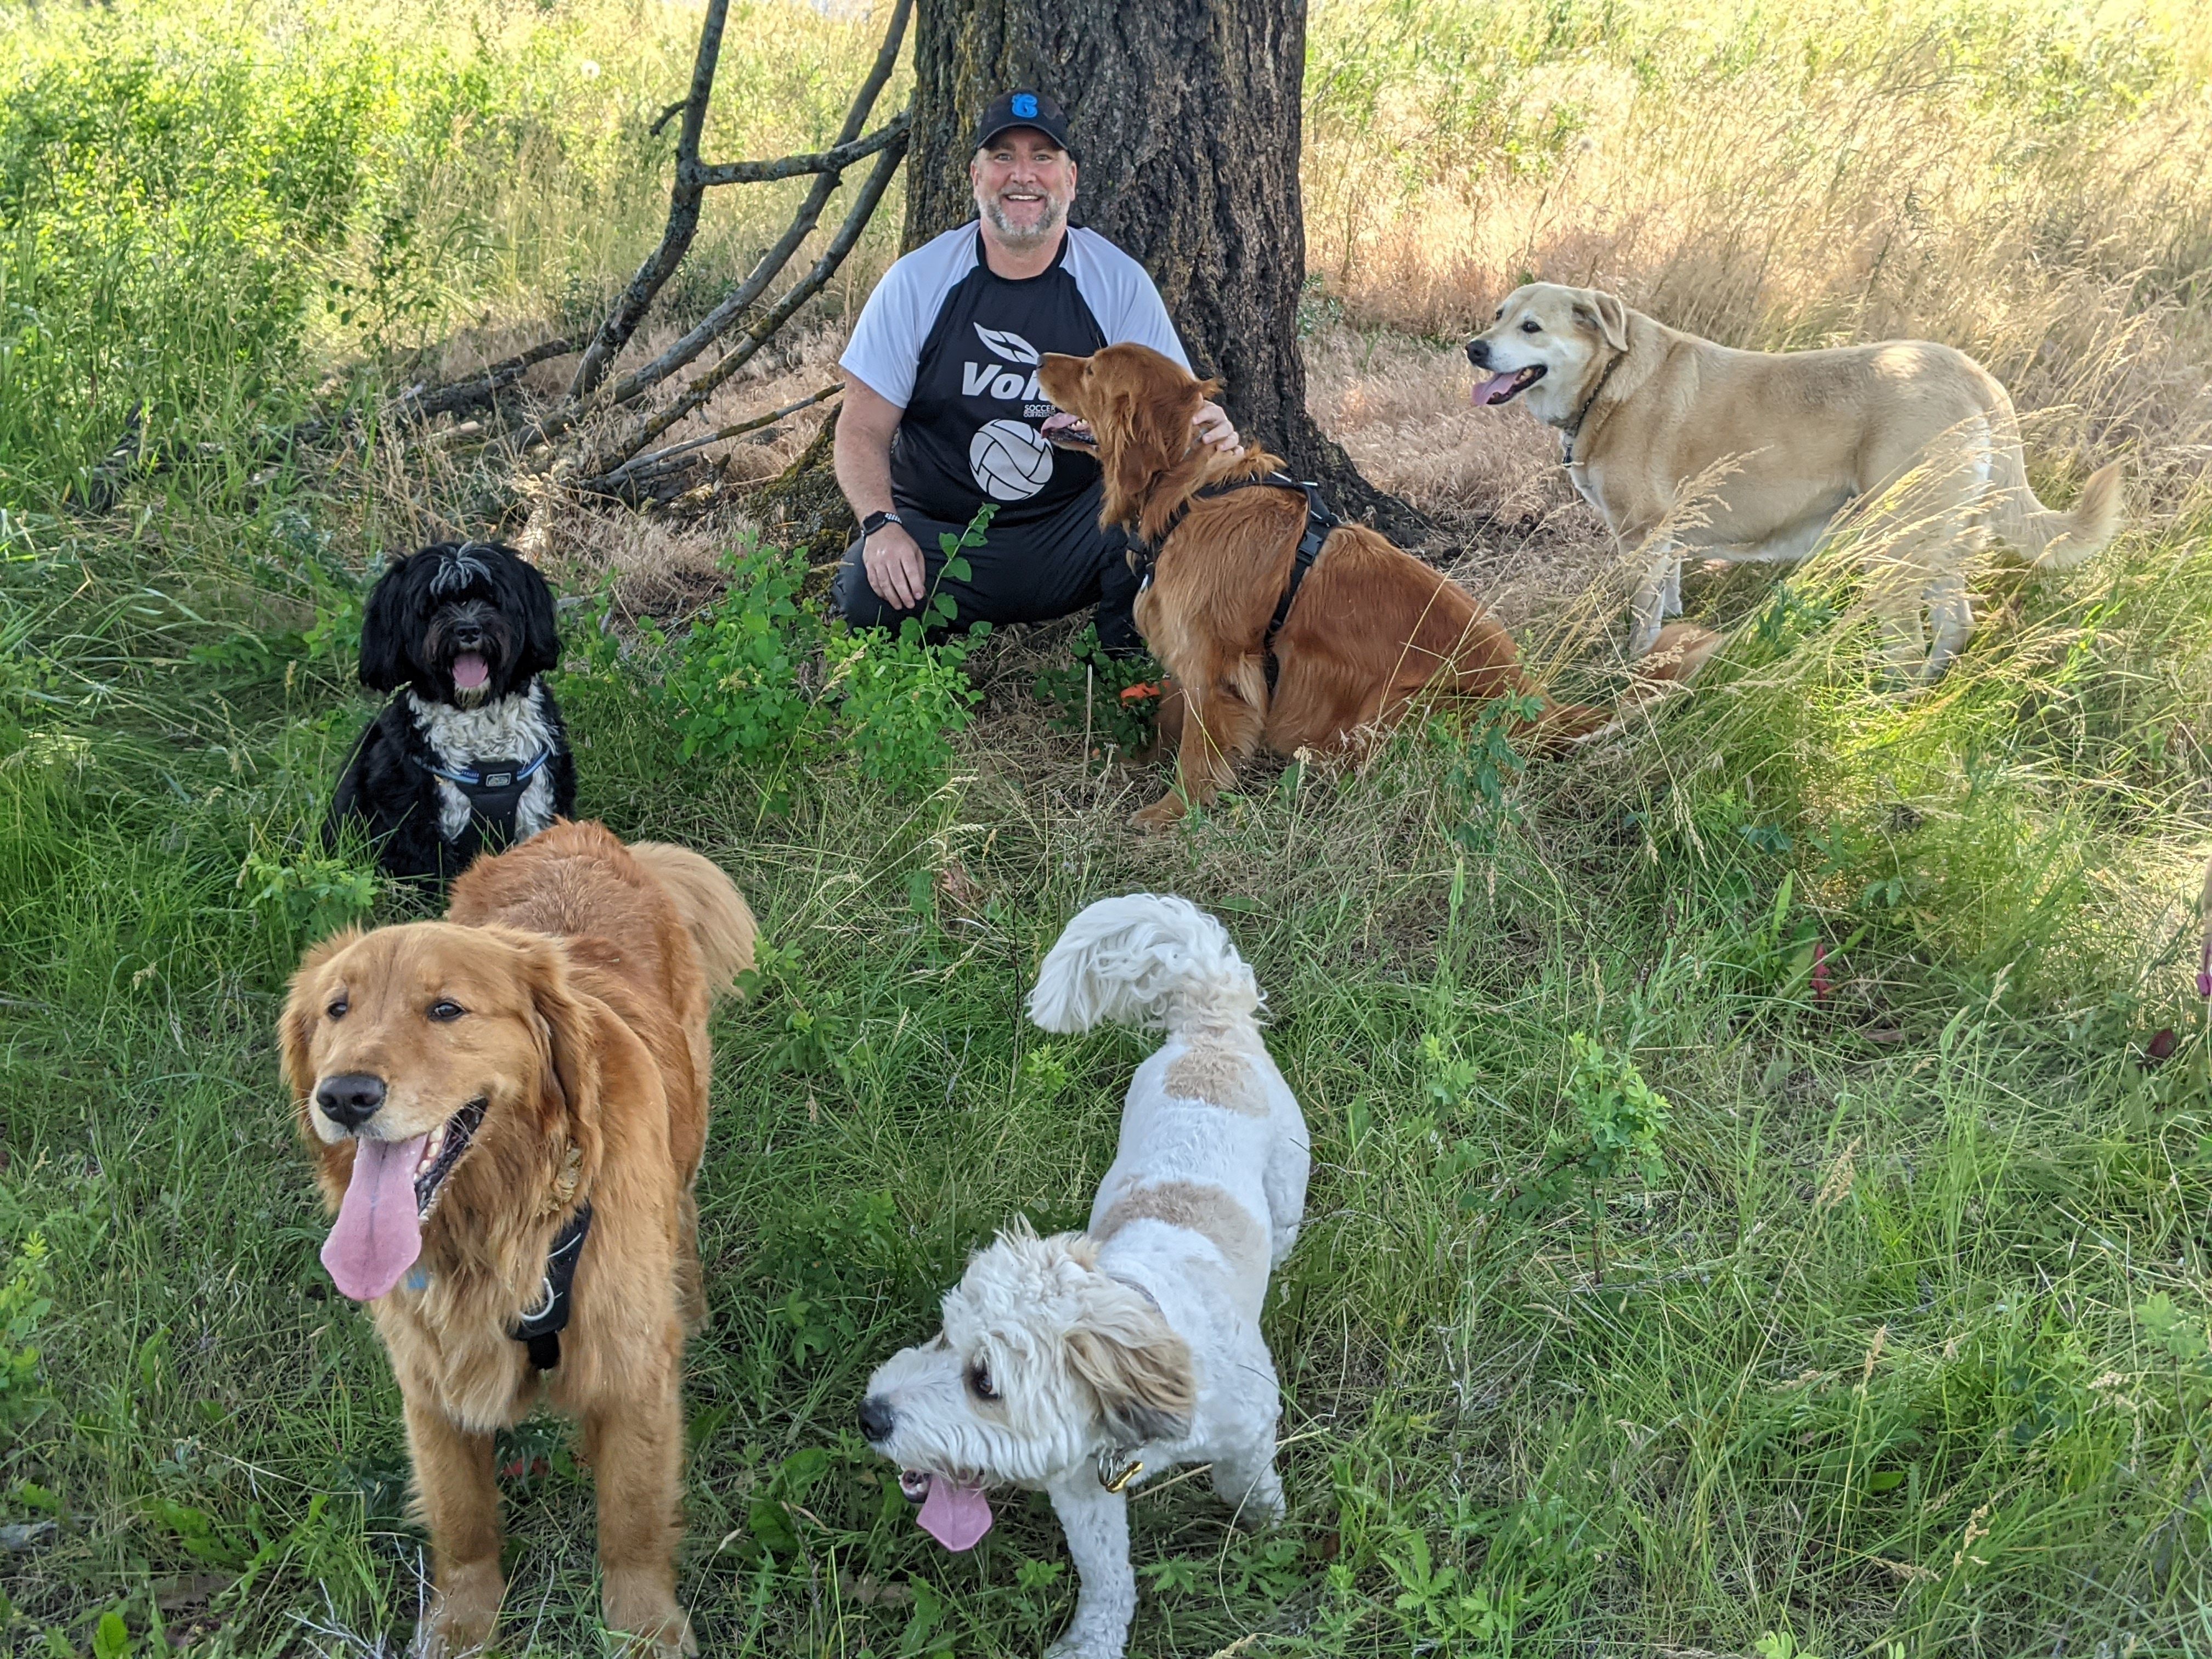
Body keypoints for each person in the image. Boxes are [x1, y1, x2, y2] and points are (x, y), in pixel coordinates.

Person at [831, 89, 1237, 653]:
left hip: (1075, 533)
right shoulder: (917, 282)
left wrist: (1210, 431)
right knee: (862, 589)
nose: (1023, 175)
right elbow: (860, 429)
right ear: (976, 176)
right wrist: (881, 527)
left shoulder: (1116, 283)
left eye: (1043, 158)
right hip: (945, 539)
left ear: (1070, 179)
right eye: (1003, 157)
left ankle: (1125, 674)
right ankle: (912, 670)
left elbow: (1169, 412)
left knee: (1169, 523)